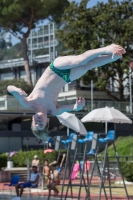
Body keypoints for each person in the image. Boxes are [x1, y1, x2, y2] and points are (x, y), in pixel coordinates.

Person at [7, 44, 126, 140]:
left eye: (36, 124)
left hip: (55, 68)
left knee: (80, 60)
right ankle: (113, 57)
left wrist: (16, 90)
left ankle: (107, 48)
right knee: (88, 66)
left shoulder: (28, 102)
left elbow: (9, 88)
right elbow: (73, 107)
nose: (38, 123)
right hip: (66, 78)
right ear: (47, 120)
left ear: (32, 119)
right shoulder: (54, 110)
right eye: (41, 124)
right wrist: (78, 106)